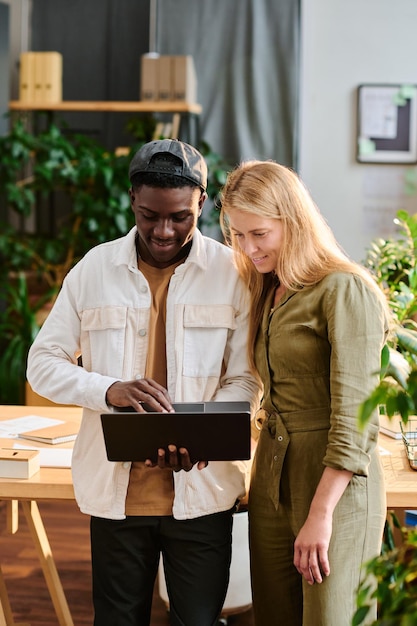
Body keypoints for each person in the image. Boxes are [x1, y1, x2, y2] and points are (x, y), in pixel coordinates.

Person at [27, 139, 260, 626]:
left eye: (179, 216)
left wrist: (200, 435)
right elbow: (42, 363)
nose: (163, 230)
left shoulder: (233, 273)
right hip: (117, 500)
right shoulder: (94, 269)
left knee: (197, 621)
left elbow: (244, 379)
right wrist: (108, 389)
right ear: (133, 199)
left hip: (204, 493)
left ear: (201, 201)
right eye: (150, 214)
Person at [219, 160, 390, 626]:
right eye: (237, 235)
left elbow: (357, 415)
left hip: (335, 487)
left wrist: (320, 513)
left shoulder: (344, 289)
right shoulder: (266, 289)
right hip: (271, 479)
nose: (248, 248)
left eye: (259, 234)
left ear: (292, 222)